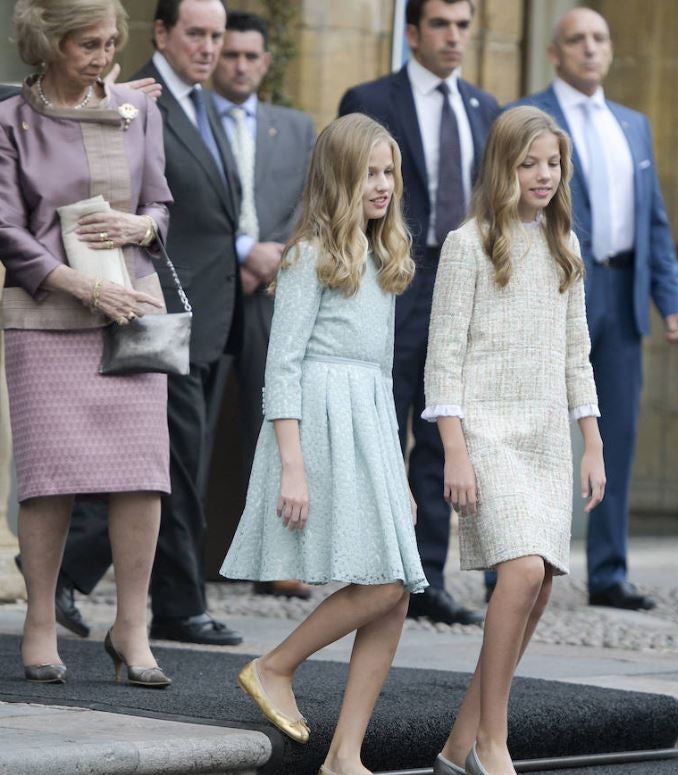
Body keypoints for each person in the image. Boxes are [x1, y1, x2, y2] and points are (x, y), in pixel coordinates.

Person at [220, 113, 427, 774]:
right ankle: (274, 664)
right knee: (385, 581)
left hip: (369, 421)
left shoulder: (386, 256)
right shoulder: (309, 254)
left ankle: (346, 752)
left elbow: (387, 371)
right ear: (338, 178)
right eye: (368, 173)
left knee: (396, 590)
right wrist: (292, 465)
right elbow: (282, 364)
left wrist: (398, 464)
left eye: (388, 171)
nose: (382, 185)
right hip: (321, 419)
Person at [54, 0, 245, 647]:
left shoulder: (201, 104)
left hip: (207, 313)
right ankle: (171, 602)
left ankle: (117, 588)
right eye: (196, 33)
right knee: (168, 464)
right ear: (161, 32)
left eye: (217, 35)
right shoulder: (134, 100)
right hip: (151, 307)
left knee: (164, 463)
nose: (209, 47)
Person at [425, 106, 605, 775]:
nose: (542, 175)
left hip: (545, 437)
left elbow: (576, 354)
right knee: (521, 570)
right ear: (503, 165)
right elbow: (441, 356)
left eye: (552, 162)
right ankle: (492, 743)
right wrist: (456, 447)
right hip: (486, 433)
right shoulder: (467, 244)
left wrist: (592, 440)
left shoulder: (566, 248)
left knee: (541, 585)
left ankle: (454, 745)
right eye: (529, 162)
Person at [0, 0, 172, 687]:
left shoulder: (138, 111)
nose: (103, 57)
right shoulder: (12, 119)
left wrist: (140, 229)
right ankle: (40, 619)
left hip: (132, 310)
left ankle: (133, 624)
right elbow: (7, 226)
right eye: (87, 45)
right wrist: (80, 285)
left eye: (109, 43)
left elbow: (161, 204)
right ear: (48, 44)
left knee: (142, 475)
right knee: (49, 479)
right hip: (46, 314)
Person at [516, 7, 678, 611]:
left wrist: (672, 299)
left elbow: (654, 220)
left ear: (611, 50)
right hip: (553, 289)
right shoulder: (530, 117)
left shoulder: (633, 125)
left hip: (621, 291)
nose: (590, 50)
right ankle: (508, 568)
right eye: (577, 41)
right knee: (532, 426)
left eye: (599, 39)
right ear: (555, 53)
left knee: (615, 431)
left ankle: (610, 572)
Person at [338, 0, 500, 626]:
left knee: (442, 427)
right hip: (391, 277)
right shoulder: (371, 97)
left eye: (462, 25)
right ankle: (370, 568)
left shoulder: (485, 109)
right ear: (411, 32)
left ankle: (427, 577)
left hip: (461, 285)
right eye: (440, 24)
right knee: (379, 421)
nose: (453, 36)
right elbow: (345, 190)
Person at [211, 10, 316, 601]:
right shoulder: (192, 119)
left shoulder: (296, 128)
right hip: (207, 287)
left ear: (267, 62)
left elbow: (314, 203)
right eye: (231, 54)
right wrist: (243, 254)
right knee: (195, 429)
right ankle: (196, 556)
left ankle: (278, 556)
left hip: (275, 291)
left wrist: (272, 260)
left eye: (252, 56)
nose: (241, 65)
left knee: (275, 423)